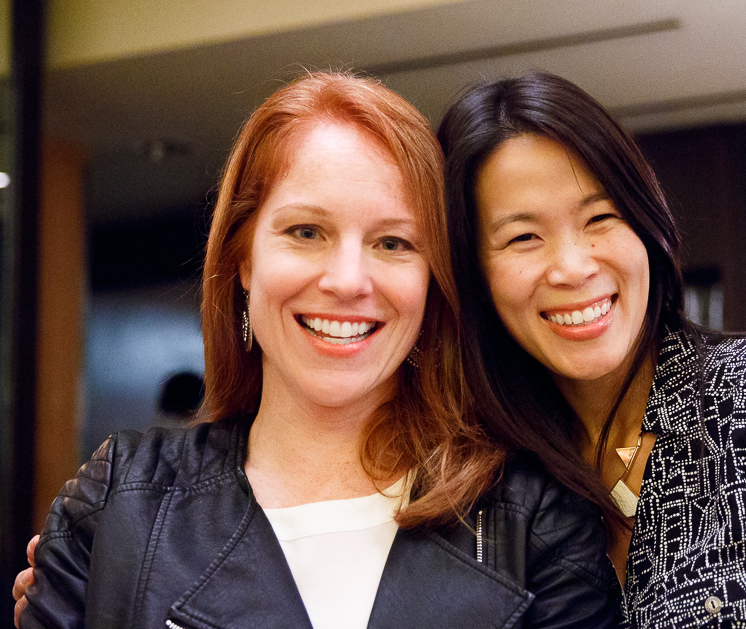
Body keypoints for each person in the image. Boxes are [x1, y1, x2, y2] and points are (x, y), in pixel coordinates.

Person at [13, 72, 620, 629]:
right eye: (306, 232)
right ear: (242, 259)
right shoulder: (119, 503)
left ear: (433, 282)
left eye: (393, 242)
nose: (348, 280)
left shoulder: (535, 524)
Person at [437, 72, 746, 627]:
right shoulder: (482, 489)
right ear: (471, 271)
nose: (573, 267)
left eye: (600, 217)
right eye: (522, 237)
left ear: (645, 222)